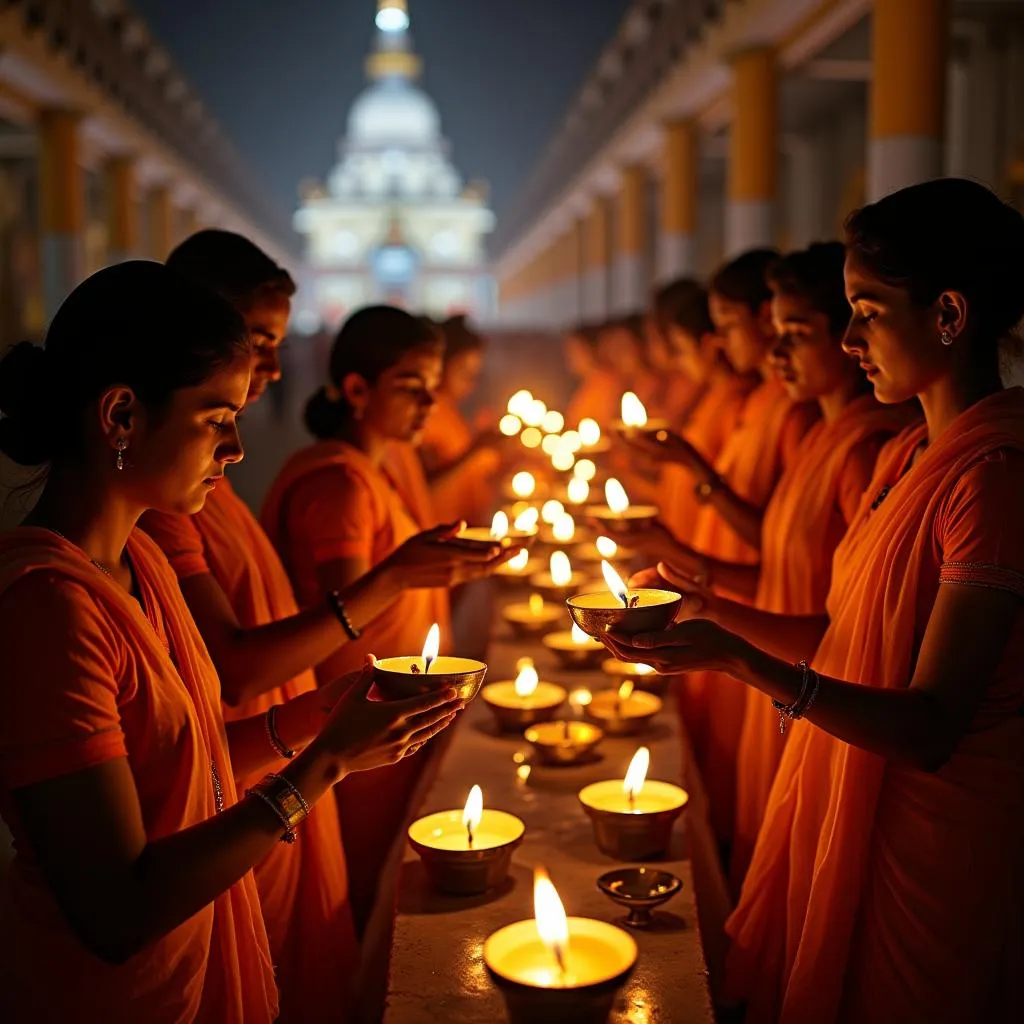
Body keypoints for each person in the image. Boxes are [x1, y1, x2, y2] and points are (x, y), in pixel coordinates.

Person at [604, 179, 1024, 1023]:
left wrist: (743, 663)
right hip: (858, 797)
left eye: (867, 311)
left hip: (936, 843)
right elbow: (837, 635)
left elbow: (932, 725)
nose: (848, 338)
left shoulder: (994, 477)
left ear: (948, 314)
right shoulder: (908, 453)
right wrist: (707, 612)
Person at [0, 262, 464, 1022]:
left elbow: (190, 767)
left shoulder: (141, 560)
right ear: (121, 416)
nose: (238, 449)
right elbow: (118, 910)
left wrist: (320, 714)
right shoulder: (47, 609)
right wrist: (325, 765)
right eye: (217, 420)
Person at [141, 231, 502, 1021]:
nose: (239, 441)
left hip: (280, 744)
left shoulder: (207, 489)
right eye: (249, 344)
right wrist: (327, 742)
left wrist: (322, 733)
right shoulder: (143, 531)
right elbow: (234, 669)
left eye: (266, 346)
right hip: (247, 767)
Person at [637, 243, 914, 887]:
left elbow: (836, 619)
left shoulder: (869, 448)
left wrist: (725, 627)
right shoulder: (825, 434)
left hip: (822, 694)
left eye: (793, 334)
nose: (773, 354)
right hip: (789, 671)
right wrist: (691, 577)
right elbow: (785, 573)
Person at [262, 306, 517, 932]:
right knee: (365, 876)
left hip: (396, 700)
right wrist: (412, 571)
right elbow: (351, 608)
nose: (430, 402)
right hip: (361, 708)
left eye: (434, 384)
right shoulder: (339, 484)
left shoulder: (379, 466)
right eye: (412, 386)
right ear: (356, 389)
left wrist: (446, 567)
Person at [608, 250, 820, 846]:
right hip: (747, 621)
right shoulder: (756, 407)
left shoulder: (806, 422)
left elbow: (778, 559)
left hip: (787, 644)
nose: (728, 348)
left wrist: (691, 469)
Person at [418, 315, 503, 525]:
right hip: (438, 533)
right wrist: (474, 449)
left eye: (475, 375)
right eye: (465, 373)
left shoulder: (449, 412)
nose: (472, 384)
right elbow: (423, 487)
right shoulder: (423, 417)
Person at [564, 323, 620, 429]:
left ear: (590, 349)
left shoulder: (607, 385)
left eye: (574, 350)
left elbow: (604, 426)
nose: (569, 357)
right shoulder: (589, 384)